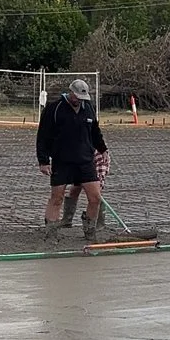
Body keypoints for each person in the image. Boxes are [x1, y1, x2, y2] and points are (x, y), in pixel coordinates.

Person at [37, 77, 108, 237]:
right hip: (62, 161)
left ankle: (89, 231)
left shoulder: (88, 107)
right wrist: (43, 161)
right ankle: (51, 233)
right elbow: (42, 136)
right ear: (70, 93)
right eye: (77, 97)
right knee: (57, 198)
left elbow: (95, 131)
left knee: (95, 197)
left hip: (85, 161)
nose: (79, 101)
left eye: (82, 98)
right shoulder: (54, 109)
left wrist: (102, 149)